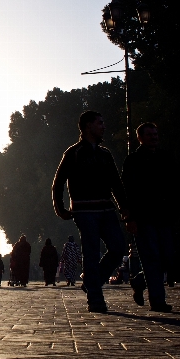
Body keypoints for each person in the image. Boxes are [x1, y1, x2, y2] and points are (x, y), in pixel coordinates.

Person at [52, 110, 130, 313]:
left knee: (118, 248)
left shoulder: (105, 154)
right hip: (85, 210)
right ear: (88, 126)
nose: (103, 126)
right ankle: (95, 298)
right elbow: (58, 182)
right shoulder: (74, 153)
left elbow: (116, 184)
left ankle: (93, 281)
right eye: (99, 123)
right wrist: (60, 207)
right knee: (91, 252)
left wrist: (124, 208)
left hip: (106, 208)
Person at [122, 122, 180, 312]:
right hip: (144, 217)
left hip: (164, 216)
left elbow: (176, 183)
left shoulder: (166, 157)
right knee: (152, 258)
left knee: (167, 257)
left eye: (155, 134)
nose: (154, 137)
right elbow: (127, 192)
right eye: (149, 135)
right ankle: (157, 300)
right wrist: (129, 217)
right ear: (140, 137)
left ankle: (140, 281)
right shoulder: (133, 161)